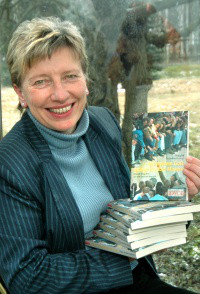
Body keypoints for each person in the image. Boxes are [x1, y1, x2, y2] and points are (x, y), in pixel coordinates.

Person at [0, 17, 200, 294]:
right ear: (21, 92)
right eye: (41, 81)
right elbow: (26, 277)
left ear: (85, 81)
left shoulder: (103, 122)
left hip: (135, 280)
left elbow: (132, 208)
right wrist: (126, 256)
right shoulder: (9, 162)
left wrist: (173, 195)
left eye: (70, 76)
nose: (60, 94)